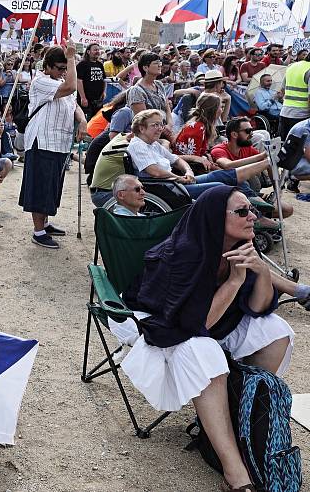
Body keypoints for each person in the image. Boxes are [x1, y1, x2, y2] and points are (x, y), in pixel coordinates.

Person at [120, 186, 301, 491]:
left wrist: (262, 273)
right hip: (166, 327)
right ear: (217, 218)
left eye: (251, 210)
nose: (252, 217)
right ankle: (235, 473)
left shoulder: (241, 245)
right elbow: (195, 323)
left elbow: (258, 308)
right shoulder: (184, 254)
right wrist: (234, 279)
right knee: (203, 352)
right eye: (242, 211)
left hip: (211, 323)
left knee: (277, 331)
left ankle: (235, 418)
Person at [19, 42, 87, 249]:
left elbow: (73, 103)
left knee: (52, 186)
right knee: (41, 186)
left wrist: (82, 120)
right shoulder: (41, 81)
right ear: (47, 66)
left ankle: (45, 223)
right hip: (43, 140)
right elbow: (71, 88)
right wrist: (72, 57)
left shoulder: (61, 79)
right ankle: (38, 231)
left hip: (60, 141)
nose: (63, 72)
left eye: (65, 68)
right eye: (59, 68)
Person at [128, 110, 267, 200]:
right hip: (167, 189)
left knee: (223, 175)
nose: (160, 128)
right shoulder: (137, 145)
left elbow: (176, 160)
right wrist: (180, 178)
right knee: (219, 185)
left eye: (161, 124)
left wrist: (188, 171)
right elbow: (155, 172)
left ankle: (255, 201)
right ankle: (255, 210)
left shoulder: (153, 144)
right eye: (155, 125)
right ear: (141, 128)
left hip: (176, 183)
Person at [172, 92, 220, 170]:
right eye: (220, 107)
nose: (221, 110)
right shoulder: (198, 129)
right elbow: (194, 161)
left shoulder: (199, 124)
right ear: (213, 111)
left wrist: (207, 156)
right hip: (183, 170)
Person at [278, 55, 310, 141]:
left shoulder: (292, 66)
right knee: (300, 150)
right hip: (302, 116)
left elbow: (281, 91)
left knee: (284, 146)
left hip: (285, 112)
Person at [76, 43, 107, 118]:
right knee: (86, 122)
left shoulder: (100, 64)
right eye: (95, 50)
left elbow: (103, 79)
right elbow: (79, 81)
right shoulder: (82, 64)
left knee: (95, 121)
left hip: (98, 100)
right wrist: (83, 98)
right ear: (88, 52)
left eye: (98, 50)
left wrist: (103, 92)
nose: (97, 51)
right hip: (87, 100)